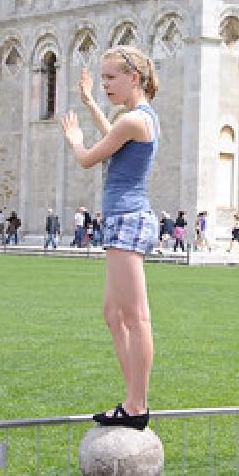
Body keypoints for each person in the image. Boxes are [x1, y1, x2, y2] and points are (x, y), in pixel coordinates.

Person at [61, 48, 161, 430]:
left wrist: (74, 139)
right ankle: (133, 395)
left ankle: (136, 405)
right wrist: (88, 103)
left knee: (136, 317)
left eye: (110, 79)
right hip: (126, 218)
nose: (104, 86)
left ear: (133, 77)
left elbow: (90, 157)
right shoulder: (138, 119)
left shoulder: (134, 120)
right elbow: (113, 139)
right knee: (114, 314)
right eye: (101, 79)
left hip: (127, 220)